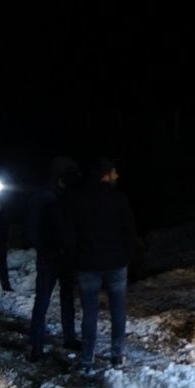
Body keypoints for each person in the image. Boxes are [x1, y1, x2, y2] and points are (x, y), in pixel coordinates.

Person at [66, 158, 136, 372]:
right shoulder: (119, 198)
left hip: (88, 264)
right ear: (105, 175)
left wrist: (76, 256)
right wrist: (126, 255)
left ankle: (87, 359)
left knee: (89, 312)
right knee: (118, 309)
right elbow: (129, 231)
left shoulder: (78, 199)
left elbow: (71, 232)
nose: (117, 177)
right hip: (116, 263)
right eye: (115, 173)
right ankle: (117, 354)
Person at [27, 157, 82, 361]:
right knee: (44, 300)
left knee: (63, 300)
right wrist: (45, 250)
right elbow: (33, 228)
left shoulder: (61, 195)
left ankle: (62, 339)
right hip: (52, 258)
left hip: (62, 257)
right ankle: (37, 345)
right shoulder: (45, 196)